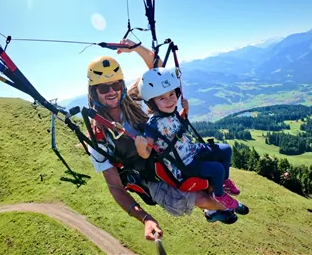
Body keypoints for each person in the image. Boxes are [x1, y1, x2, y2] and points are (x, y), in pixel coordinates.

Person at [86, 40, 238, 242]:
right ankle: (218, 208)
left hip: (170, 157)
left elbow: (158, 73)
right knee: (201, 198)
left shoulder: (129, 99)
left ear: (121, 84)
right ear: (93, 92)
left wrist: (137, 49)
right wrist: (145, 218)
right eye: (103, 88)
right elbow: (115, 187)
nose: (111, 91)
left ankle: (215, 208)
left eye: (115, 84)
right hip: (150, 177)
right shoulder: (98, 136)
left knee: (210, 173)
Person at [134, 67, 240, 210]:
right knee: (217, 169)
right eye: (161, 98)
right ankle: (219, 195)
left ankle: (223, 181)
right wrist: (141, 148)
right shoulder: (152, 126)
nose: (169, 100)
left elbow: (178, 124)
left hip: (193, 150)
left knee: (226, 150)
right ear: (152, 103)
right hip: (184, 164)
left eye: (171, 94)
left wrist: (186, 110)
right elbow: (147, 152)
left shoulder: (171, 113)